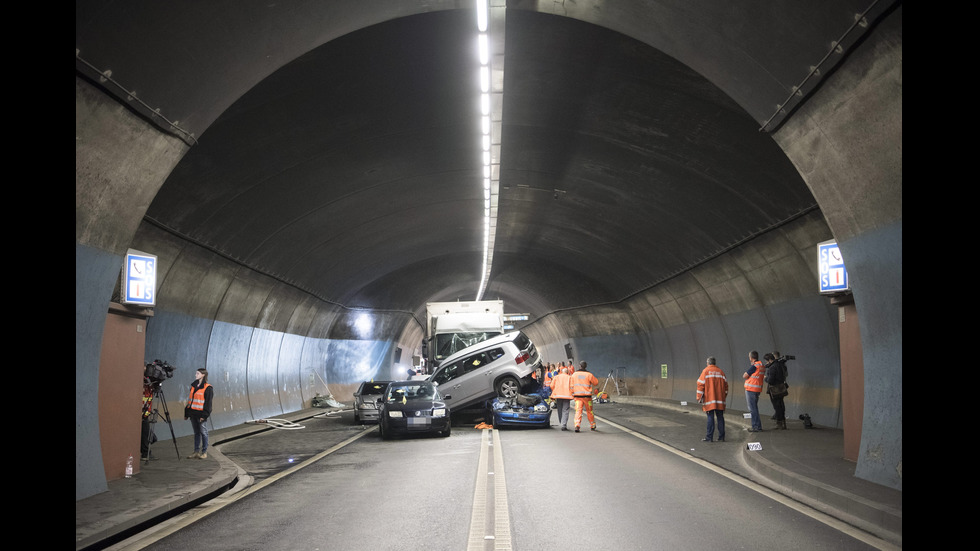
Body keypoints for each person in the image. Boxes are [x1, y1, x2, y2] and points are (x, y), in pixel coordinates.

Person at [697, 356, 728, 442]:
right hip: (720, 400)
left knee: (710, 417)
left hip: (709, 400)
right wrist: (723, 397)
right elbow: (726, 387)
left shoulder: (705, 371)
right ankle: (721, 437)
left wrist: (699, 397)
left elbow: (700, 385)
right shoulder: (721, 372)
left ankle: (709, 437)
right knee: (720, 417)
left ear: (708, 363)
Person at [184, 368, 214, 459]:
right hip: (193, 413)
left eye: (197, 373)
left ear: (203, 375)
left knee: (203, 432)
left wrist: (204, 416)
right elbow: (190, 401)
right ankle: (196, 451)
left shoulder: (208, 388)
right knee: (196, 433)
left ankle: (204, 452)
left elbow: (208, 403)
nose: (195, 375)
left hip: (201, 414)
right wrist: (186, 413)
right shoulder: (193, 386)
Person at [571, 361, 598, 432]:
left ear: (580, 366)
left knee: (578, 411)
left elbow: (571, 385)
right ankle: (593, 425)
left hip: (578, 397)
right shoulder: (589, 375)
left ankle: (577, 425)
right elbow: (596, 382)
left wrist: (572, 393)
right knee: (589, 411)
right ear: (586, 366)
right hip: (587, 397)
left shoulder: (574, 375)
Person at [765, 352, 789, 430]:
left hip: (774, 389)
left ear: (769, 360)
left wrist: (765, 378)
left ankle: (779, 423)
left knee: (777, 406)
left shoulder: (772, 368)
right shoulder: (780, 365)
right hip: (781, 388)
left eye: (766, 361)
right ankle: (783, 422)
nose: (766, 363)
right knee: (781, 405)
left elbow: (770, 380)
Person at [743, 350, 766, 432]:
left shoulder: (754, 366)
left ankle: (756, 426)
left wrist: (746, 375)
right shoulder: (762, 365)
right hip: (758, 389)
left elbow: (745, 376)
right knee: (754, 408)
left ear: (751, 358)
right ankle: (757, 425)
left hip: (751, 390)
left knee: (752, 409)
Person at [141, 366, 156, 460]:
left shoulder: (149, 381)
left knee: (151, 437)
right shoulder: (142, 381)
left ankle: (145, 452)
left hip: (146, 412)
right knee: (146, 435)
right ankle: (145, 453)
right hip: (142, 412)